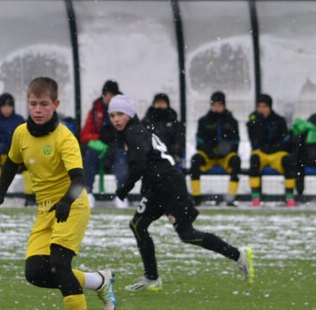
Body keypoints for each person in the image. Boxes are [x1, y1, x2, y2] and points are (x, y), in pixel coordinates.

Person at [0, 76, 118, 310]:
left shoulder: (64, 137)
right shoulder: (21, 133)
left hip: (72, 205)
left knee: (59, 265)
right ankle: (97, 280)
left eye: (44, 104)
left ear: (55, 104)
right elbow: (11, 164)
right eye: (33, 103)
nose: (38, 109)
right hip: (45, 210)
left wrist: (66, 202)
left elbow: (79, 180)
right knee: (35, 273)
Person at [108, 95, 254, 292]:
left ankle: (238, 254)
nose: (116, 119)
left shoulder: (134, 132)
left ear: (130, 114)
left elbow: (140, 165)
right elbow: (150, 163)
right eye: (112, 115)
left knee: (187, 234)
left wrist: (124, 188)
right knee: (137, 226)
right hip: (158, 186)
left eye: (120, 114)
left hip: (169, 186)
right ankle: (152, 278)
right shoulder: (134, 131)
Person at [189, 91, 241, 206]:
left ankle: (230, 199)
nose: (216, 108)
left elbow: (235, 142)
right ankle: (196, 198)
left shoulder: (232, 122)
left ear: (224, 106)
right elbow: (199, 142)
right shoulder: (203, 121)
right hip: (208, 157)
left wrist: (224, 151)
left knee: (236, 161)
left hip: (225, 157)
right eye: (214, 105)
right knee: (195, 160)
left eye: (219, 105)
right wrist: (212, 151)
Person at [80, 79, 128, 204]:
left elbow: (130, 132)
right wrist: (97, 140)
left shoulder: (125, 111)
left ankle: (121, 195)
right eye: (106, 95)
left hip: (118, 146)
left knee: (121, 157)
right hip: (100, 146)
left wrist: (120, 143)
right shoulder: (96, 110)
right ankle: (88, 193)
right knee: (90, 156)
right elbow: (85, 133)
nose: (109, 98)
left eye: (112, 95)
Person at [245, 94, 297, 207]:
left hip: (276, 154)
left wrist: (272, 148)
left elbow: (285, 141)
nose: (262, 109)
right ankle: (255, 198)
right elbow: (255, 141)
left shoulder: (279, 120)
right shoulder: (252, 121)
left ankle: (289, 197)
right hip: (261, 153)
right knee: (254, 160)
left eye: (265, 106)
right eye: (259, 106)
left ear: (270, 107)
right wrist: (259, 123)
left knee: (288, 161)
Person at [0, 92, 33, 203]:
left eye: (10, 106)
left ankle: (30, 196)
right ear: (0, 107)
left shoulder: (19, 120)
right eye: (4, 106)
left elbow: (25, 139)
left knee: (27, 162)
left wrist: (14, 148)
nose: (7, 109)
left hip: (15, 155)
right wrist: (1, 148)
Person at [142, 92, 185, 167]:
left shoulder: (175, 123)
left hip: (170, 156)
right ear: (154, 104)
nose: (160, 105)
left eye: (162, 103)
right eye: (158, 103)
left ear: (167, 104)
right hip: (150, 157)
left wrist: (168, 152)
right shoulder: (146, 122)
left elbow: (179, 141)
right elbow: (142, 140)